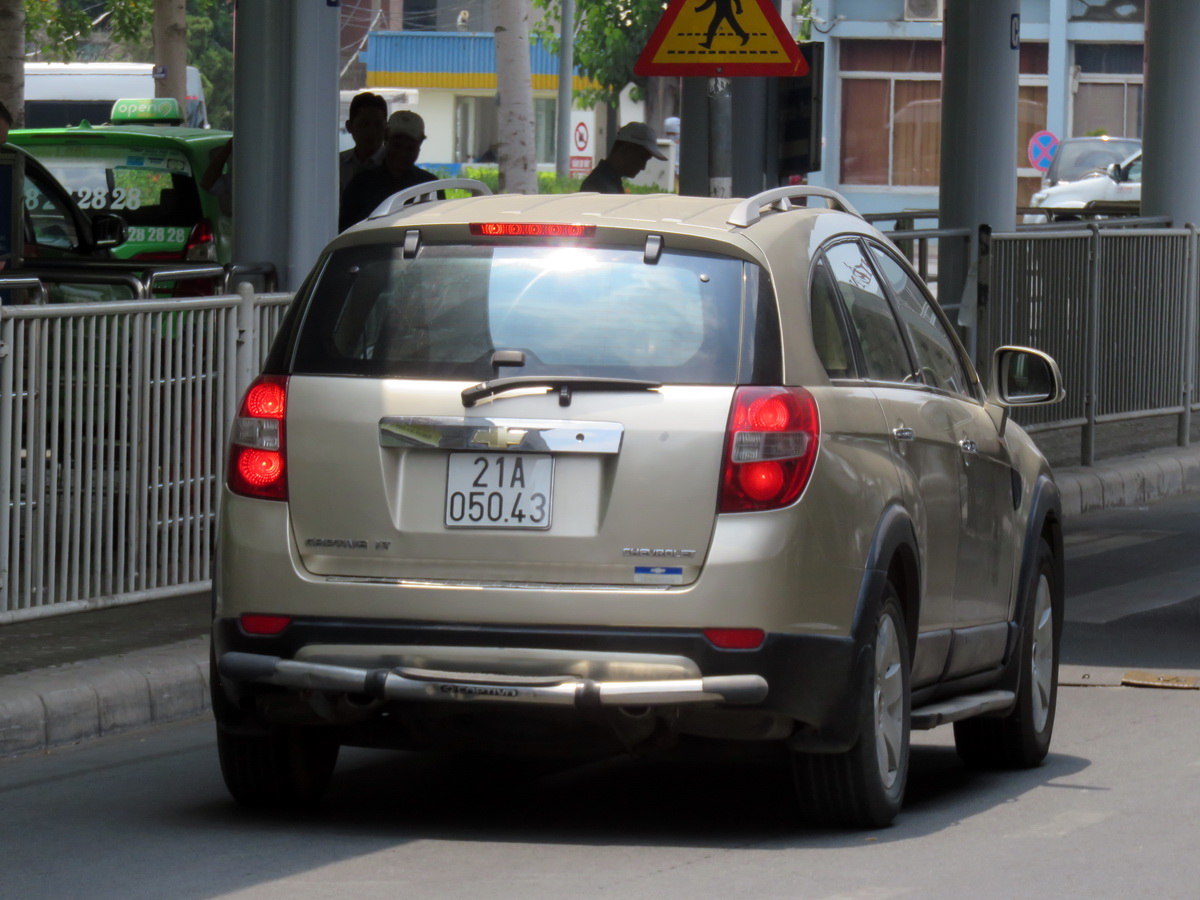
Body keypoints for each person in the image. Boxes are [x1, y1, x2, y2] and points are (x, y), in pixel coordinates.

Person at [339, 110, 440, 231]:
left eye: (410, 148)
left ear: (419, 146)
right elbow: (346, 232)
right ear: (385, 140)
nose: (402, 153)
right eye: (397, 145)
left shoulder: (430, 186)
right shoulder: (360, 184)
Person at [579, 122, 667, 194]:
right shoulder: (599, 185)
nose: (643, 167)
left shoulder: (607, 182)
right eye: (642, 158)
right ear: (626, 149)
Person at [339, 91, 388, 192]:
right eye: (364, 124)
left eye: (378, 124)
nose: (372, 131)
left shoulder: (396, 166)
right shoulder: (336, 165)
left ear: (386, 127)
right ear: (349, 126)